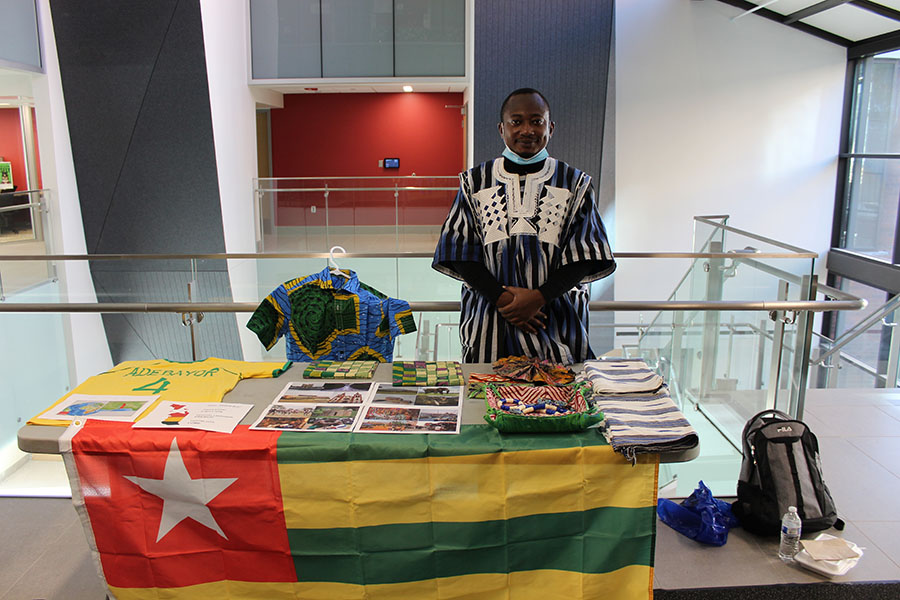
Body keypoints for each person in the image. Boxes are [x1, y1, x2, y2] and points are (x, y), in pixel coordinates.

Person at [432, 88, 615, 364]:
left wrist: (539, 298)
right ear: (501, 128)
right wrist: (504, 301)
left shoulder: (576, 183)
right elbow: (459, 252)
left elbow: (585, 255)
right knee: (486, 397)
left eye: (536, 121)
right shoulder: (474, 182)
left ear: (550, 127)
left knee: (561, 400)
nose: (527, 130)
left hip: (556, 321)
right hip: (490, 322)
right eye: (516, 122)